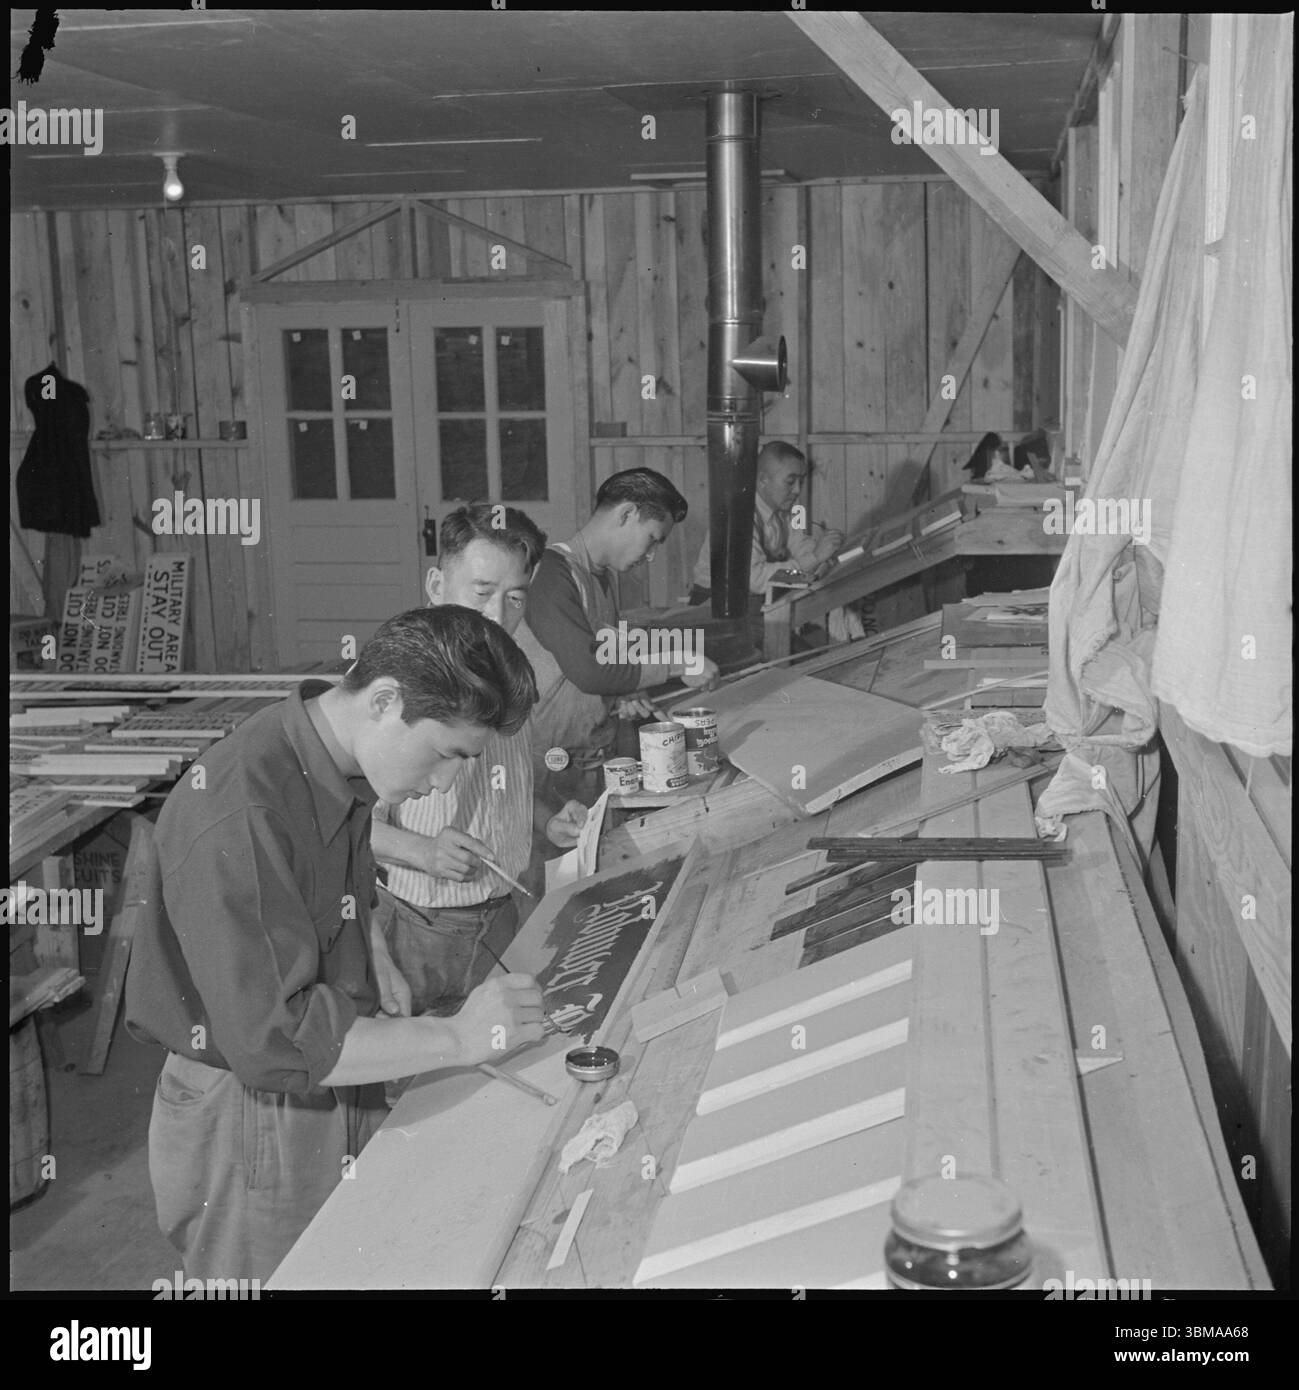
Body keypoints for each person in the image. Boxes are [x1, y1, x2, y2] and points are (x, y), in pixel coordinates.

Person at [124, 606, 545, 1283]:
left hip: (331, 1064)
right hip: (253, 1108)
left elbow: (323, 888)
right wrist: (459, 1038)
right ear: (384, 701)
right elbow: (279, 1041)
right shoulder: (243, 807)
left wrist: (372, 952)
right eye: (447, 755)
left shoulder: (334, 760)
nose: (444, 784)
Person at [370, 505, 586, 1026]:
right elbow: (344, 824)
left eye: (515, 598)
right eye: (482, 591)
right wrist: (422, 851)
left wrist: (546, 821)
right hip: (418, 929)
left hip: (500, 919)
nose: (497, 616)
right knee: (418, 1066)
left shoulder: (511, 677)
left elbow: (504, 786)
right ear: (436, 585)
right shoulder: (395, 690)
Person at [516, 467, 720, 833]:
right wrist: (678, 663)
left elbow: (602, 661)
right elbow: (588, 670)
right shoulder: (551, 573)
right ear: (627, 514)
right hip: (546, 773)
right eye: (653, 539)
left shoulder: (602, 579)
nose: (652, 555)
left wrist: (624, 691)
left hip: (588, 763)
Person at [689, 441, 845, 605]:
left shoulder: (788, 509)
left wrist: (822, 556)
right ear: (763, 479)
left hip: (755, 597)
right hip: (714, 604)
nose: (797, 490)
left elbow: (800, 543)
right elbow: (756, 579)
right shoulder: (738, 518)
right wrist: (815, 558)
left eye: (801, 482)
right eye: (790, 482)